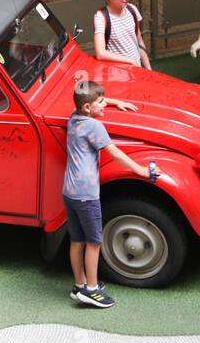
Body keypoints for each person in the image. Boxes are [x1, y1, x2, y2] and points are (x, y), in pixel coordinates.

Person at [63, 80, 156, 308]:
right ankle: (92, 291)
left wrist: (116, 102)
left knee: (77, 240)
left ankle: (80, 285)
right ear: (88, 107)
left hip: (70, 192)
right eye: (101, 102)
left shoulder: (73, 118)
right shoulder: (95, 127)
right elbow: (115, 153)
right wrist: (142, 171)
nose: (105, 105)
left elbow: (87, 102)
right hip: (87, 193)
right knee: (94, 242)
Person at [93, 0, 150, 69]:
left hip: (137, 68)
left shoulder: (132, 10)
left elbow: (139, 42)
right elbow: (100, 53)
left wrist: (149, 69)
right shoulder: (101, 17)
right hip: (118, 73)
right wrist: (130, 60)